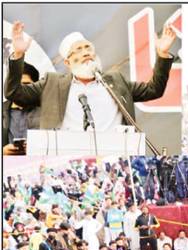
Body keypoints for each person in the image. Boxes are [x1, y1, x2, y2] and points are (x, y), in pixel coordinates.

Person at [5, 22, 176, 133]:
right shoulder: (52, 83)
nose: (85, 52)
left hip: (115, 154)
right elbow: (14, 92)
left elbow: (155, 90)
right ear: (67, 62)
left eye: (87, 47)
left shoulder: (115, 81)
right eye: (78, 50)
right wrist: (18, 54)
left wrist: (162, 54)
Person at [2, 61, 40, 155]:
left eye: (26, 84)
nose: (19, 90)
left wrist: (37, 149)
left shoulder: (48, 112)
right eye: (15, 85)